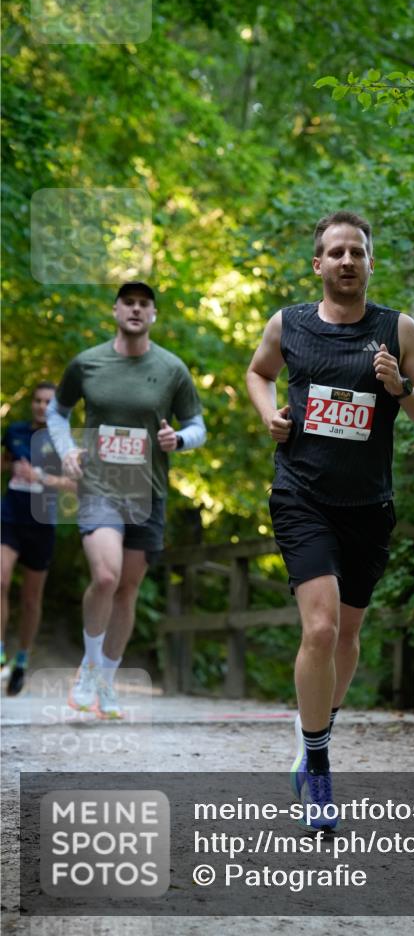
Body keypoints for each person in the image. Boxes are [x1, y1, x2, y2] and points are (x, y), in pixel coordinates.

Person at [246, 211, 414, 826]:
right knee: (323, 630)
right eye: (335, 253)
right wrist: (268, 415)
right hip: (302, 495)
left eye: (356, 252)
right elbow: (258, 372)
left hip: (368, 507)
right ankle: (320, 768)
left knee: (349, 634)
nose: (347, 261)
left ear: (370, 262)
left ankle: (312, 737)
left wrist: (401, 391)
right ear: (318, 264)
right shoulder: (290, 324)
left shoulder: (398, 330)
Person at [47, 282, 206, 719]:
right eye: (129, 303)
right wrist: (65, 451)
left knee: (128, 589)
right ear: (115, 310)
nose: (136, 309)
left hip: (148, 492)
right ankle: (88, 670)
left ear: (153, 315)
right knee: (105, 576)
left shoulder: (172, 369)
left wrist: (181, 439)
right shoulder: (88, 363)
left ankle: (107, 682)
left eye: (144, 304)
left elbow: (197, 425)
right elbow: (56, 413)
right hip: (99, 486)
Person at [1, 383, 75, 696]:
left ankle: (21, 659)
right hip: (10, 517)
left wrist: (41, 477)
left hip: (42, 523)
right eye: (37, 400)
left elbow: (74, 485)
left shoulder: (63, 441)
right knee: (1, 580)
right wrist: (11, 466)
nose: (41, 406)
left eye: (48, 401)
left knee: (32, 599)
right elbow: (4, 461)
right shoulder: (15, 431)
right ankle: (0, 650)